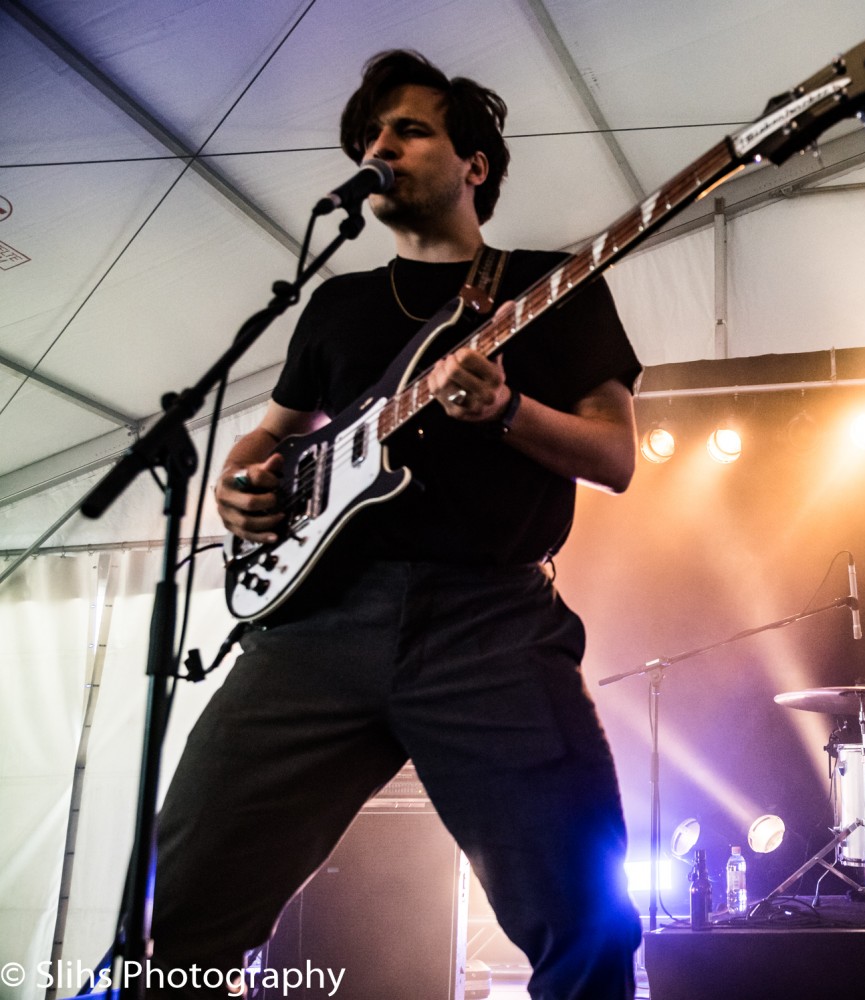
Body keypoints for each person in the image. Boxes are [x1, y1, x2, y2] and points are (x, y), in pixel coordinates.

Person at [150, 51, 642, 999]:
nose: (382, 148)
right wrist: (240, 486)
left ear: (476, 165)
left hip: (488, 624)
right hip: (316, 629)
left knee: (586, 924)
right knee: (183, 910)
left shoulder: (552, 283)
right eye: (372, 137)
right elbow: (269, 438)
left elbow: (615, 457)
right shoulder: (334, 305)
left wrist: (506, 412)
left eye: (408, 130)